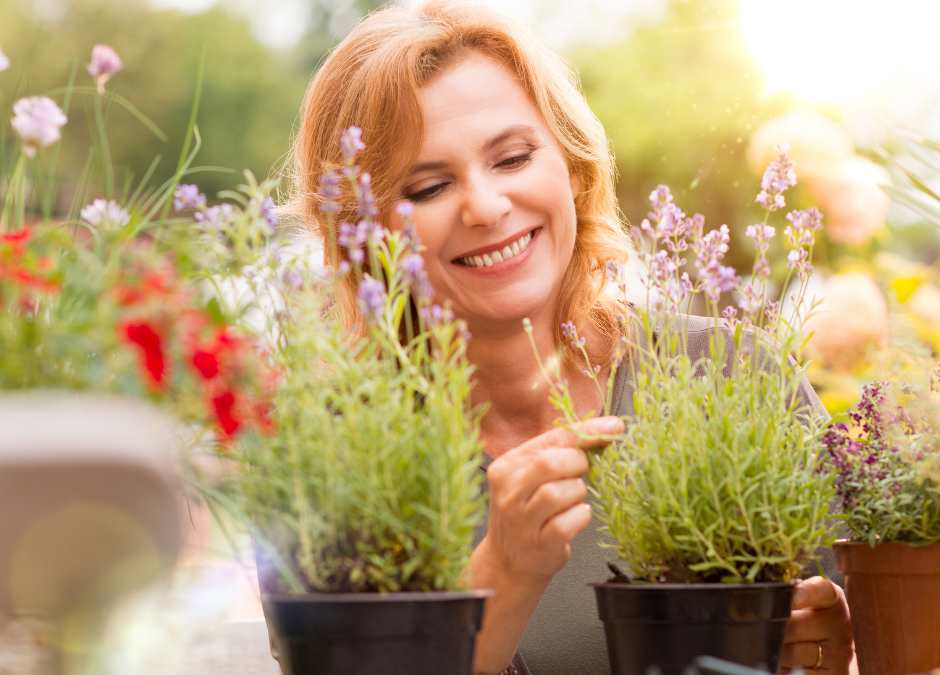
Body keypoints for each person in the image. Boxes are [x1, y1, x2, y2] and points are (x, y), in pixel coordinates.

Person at [281, 2, 856, 674]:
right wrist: (502, 569)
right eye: (430, 185)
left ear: (572, 163)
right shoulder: (336, 459)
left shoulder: (733, 374)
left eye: (513, 157)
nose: (487, 206)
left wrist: (839, 639)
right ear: (363, 233)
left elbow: (883, 618)